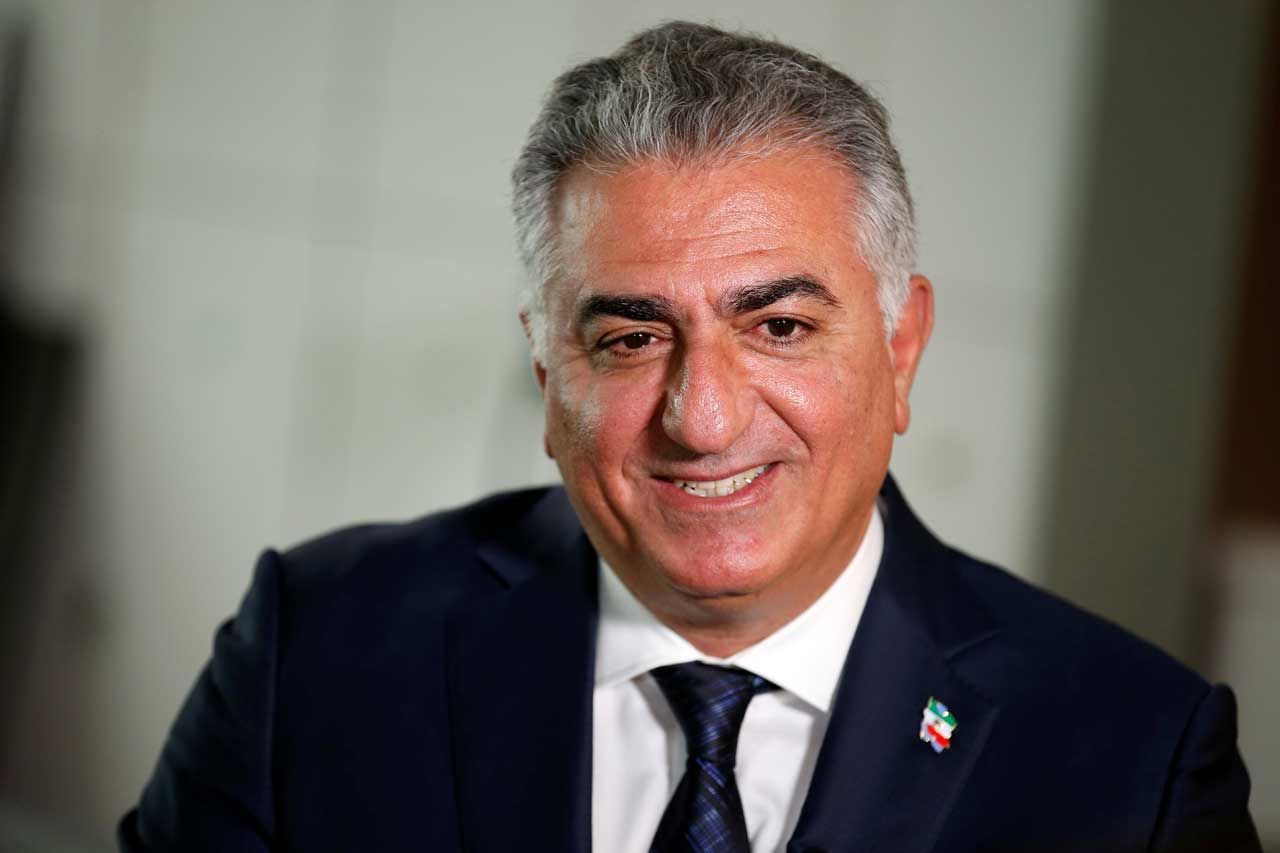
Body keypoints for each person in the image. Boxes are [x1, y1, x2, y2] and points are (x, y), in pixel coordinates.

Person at [118, 21, 1259, 853]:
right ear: (546, 370)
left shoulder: (1137, 761)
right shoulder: (315, 651)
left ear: (901, 348)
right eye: (630, 339)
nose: (702, 419)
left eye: (779, 327)